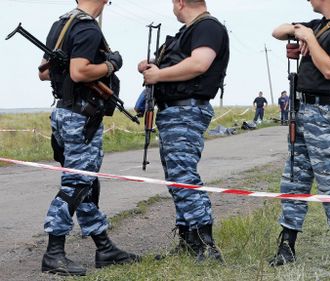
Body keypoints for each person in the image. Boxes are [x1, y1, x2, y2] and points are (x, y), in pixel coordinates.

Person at [38, 0, 139, 276]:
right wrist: (110, 64)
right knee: (76, 184)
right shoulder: (87, 28)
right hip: (81, 118)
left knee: (86, 184)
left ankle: (104, 247)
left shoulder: (61, 24)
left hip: (64, 113)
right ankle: (54, 252)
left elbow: (44, 72)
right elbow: (79, 71)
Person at [269, 0, 330, 267]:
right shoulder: (318, 26)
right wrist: (300, 33)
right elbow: (277, 31)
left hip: (327, 114)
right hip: (302, 109)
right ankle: (287, 246)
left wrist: (310, 38)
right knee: (294, 178)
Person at [138, 0, 229, 263]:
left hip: (186, 110)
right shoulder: (188, 31)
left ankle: (206, 244)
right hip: (172, 111)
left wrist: (159, 75)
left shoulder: (207, 27)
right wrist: (150, 66)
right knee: (176, 177)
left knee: (184, 176)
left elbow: (199, 64)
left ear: (179, 2)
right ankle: (188, 240)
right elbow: (181, 62)